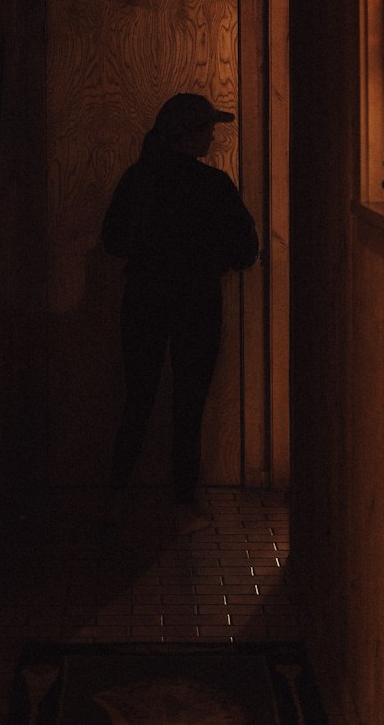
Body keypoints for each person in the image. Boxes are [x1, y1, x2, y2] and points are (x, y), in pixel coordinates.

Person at [101, 92, 259, 531]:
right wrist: (210, 259)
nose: (213, 135)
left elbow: (113, 241)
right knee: (188, 405)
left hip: (144, 299)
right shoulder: (213, 186)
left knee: (138, 399)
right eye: (208, 128)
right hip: (197, 303)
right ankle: (183, 505)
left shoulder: (139, 179)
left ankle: (116, 499)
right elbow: (247, 250)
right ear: (189, 137)